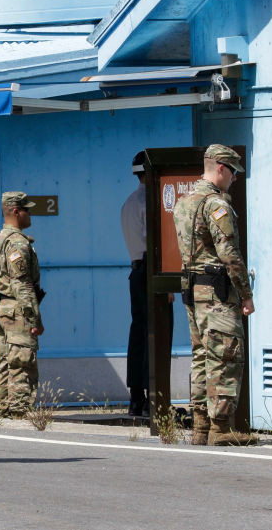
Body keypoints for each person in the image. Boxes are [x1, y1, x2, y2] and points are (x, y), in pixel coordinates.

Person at [173, 144, 257, 446]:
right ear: (220, 168)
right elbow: (228, 252)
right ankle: (221, 427)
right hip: (217, 293)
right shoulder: (215, 204)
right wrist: (245, 294)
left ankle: (201, 427)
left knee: (201, 357)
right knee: (225, 355)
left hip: (193, 290)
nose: (234, 178)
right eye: (233, 171)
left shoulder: (184, 202)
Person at [0, 191, 43, 416]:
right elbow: (22, 284)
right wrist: (34, 318)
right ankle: (19, 411)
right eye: (27, 210)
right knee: (21, 362)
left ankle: (2, 408)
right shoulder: (17, 243)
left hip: (2, 309)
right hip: (17, 309)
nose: (30, 214)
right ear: (16, 212)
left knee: (5, 361)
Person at [120, 151, 151, 416]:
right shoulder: (149, 202)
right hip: (149, 270)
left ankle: (136, 396)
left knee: (137, 332)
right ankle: (151, 394)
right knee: (154, 333)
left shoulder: (129, 202)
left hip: (135, 269)